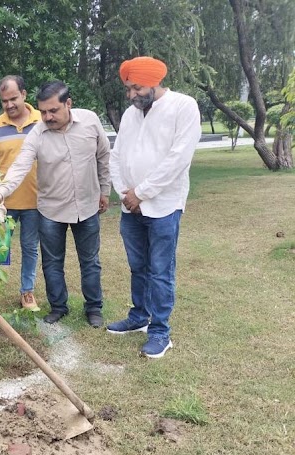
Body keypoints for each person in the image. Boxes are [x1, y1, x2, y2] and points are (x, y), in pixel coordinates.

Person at [0, 80, 111, 327]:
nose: (47, 117)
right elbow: (21, 165)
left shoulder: (90, 121)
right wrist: (2, 191)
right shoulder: (38, 132)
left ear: (68, 103)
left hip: (86, 207)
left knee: (90, 261)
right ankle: (58, 306)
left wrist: (105, 190)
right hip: (51, 210)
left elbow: (103, 156)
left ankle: (94, 308)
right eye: (43, 111)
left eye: (53, 110)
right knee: (52, 262)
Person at [107, 56, 201, 359]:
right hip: (130, 207)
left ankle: (160, 331)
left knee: (161, 271)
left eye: (136, 88)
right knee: (138, 267)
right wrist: (125, 193)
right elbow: (116, 155)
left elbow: (178, 158)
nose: (132, 94)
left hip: (164, 205)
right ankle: (139, 317)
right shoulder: (130, 114)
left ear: (155, 81)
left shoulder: (183, 106)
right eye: (128, 89)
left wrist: (142, 193)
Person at [0, 75, 42, 312]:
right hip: (3, 202)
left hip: (35, 201)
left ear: (24, 95)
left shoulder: (42, 120)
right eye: (4, 100)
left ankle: (27, 292)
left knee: (30, 247)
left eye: (13, 98)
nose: (9, 105)